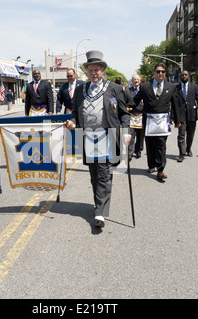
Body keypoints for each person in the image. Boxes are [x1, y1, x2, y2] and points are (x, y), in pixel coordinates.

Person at [66, 50, 131, 228]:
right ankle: (99, 203)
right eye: (91, 70)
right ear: (87, 71)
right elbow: (74, 113)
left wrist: (126, 131)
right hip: (87, 137)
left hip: (107, 136)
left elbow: (125, 114)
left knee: (103, 173)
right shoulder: (80, 90)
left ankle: (100, 212)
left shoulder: (115, 89)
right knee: (94, 175)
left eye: (97, 70)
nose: (94, 73)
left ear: (103, 70)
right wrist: (72, 123)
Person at [133, 62, 180, 181]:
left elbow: (175, 104)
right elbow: (135, 101)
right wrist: (123, 108)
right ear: (154, 73)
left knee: (161, 145)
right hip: (149, 120)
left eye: (163, 72)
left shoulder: (171, 86)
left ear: (165, 73)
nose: (160, 73)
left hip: (163, 121)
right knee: (150, 144)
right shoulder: (145, 86)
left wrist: (177, 120)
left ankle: (160, 169)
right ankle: (151, 165)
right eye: (158, 71)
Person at [175, 70, 198, 162]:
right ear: (180, 77)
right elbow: (174, 103)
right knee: (181, 135)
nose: (184, 76)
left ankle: (188, 149)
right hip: (181, 115)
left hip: (192, 114)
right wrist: (173, 116)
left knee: (190, 134)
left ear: (188, 76)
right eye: (182, 75)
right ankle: (182, 153)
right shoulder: (176, 87)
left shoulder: (194, 87)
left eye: (186, 75)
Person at [126, 74, 145, 159]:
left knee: (140, 135)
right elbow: (124, 102)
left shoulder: (144, 90)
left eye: (137, 79)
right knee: (131, 135)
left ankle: (138, 151)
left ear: (140, 80)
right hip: (131, 116)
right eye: (134, 79)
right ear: (132, 81)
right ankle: (130, 152)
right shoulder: (127, 91)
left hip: (142, 115)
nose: (136, 81)